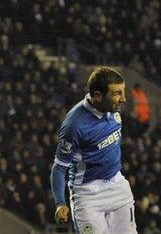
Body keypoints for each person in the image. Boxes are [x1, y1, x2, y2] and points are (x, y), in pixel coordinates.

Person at [50, 67, 137, 233]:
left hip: (118, 186)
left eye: (123, 92)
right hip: (88, 195)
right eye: (117, 93)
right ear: (98, 96)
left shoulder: (113, 110)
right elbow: (59, 167)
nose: (123, 99)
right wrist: (60, 203)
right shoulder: (74, 125)